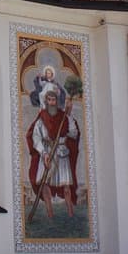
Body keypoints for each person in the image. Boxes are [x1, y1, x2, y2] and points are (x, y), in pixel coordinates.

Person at [26, 83, 80, 218]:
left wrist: (69, 117)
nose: (52, 102)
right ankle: (50, 214)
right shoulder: (41, 119)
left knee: (66, 186)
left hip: (61, 153)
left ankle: (71, 213)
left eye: (54, 100)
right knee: (44, 185)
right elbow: (36, 137)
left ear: (57, 101)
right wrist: (43, 154)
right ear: (46, 101)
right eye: (49, 100)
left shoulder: (64, 117)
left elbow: (74, 133)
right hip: (47, 153)